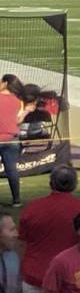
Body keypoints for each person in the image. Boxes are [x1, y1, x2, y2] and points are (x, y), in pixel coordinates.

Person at [19, 165, 80, 290]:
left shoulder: (32, 208)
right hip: (72, 278)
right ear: (74, 184)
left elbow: (21, 243)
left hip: (35, 276)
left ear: (51, 183)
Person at [0, 74, 26, 204]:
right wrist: (27, 111)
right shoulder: (18, 101)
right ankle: (16, 200)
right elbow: (18, 121)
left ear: (5, 83)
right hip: (12, 139)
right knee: (11, 170)